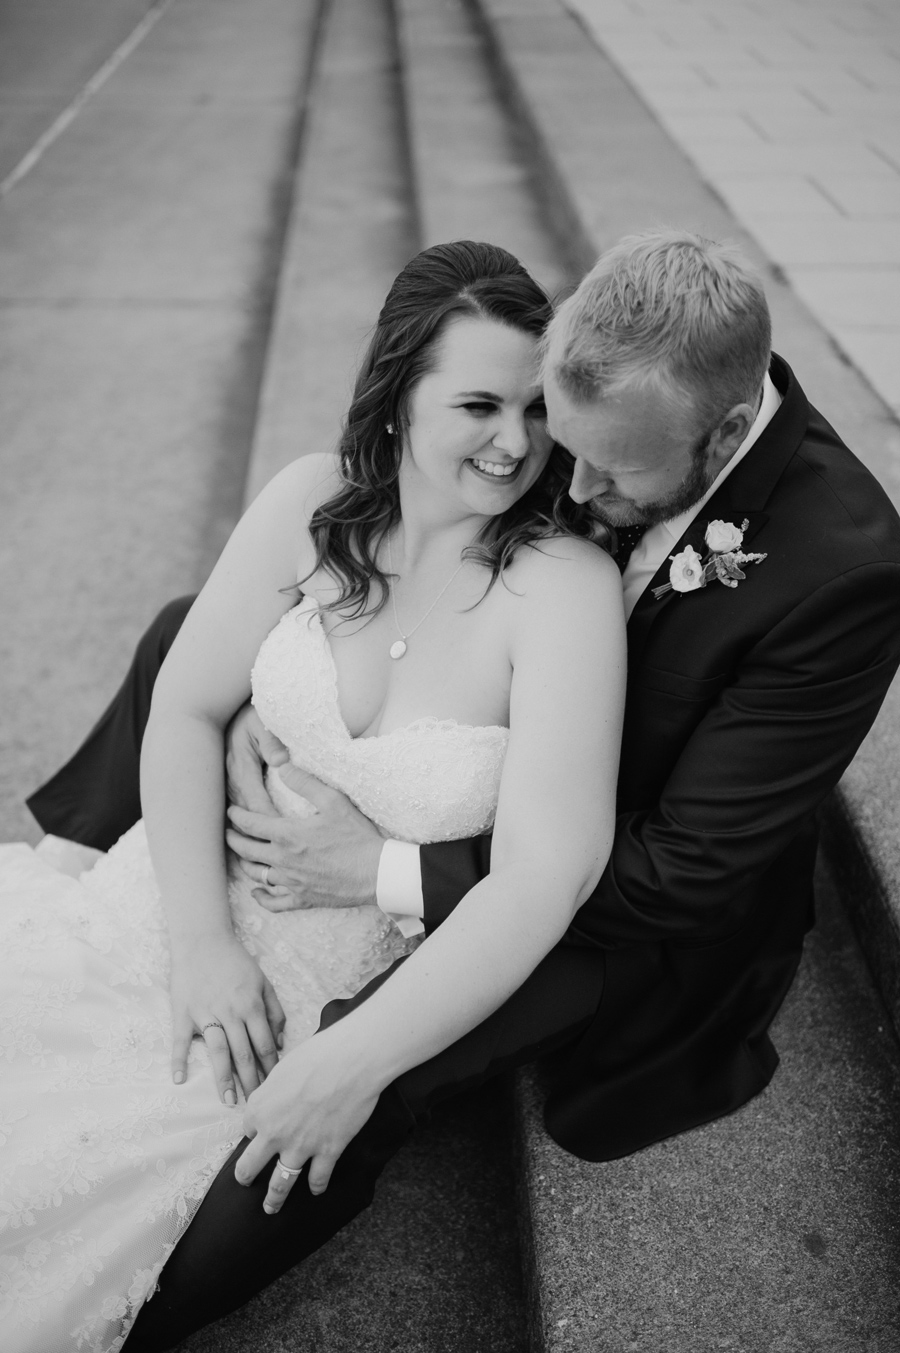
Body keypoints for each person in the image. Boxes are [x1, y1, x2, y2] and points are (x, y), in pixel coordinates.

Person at [25, 230, 900, 1351]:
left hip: (638, 892)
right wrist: (278, 692)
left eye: (602, 466)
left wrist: (384, 866)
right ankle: (95, 854)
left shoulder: (839, 572)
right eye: (527, 419)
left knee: (360, 1072)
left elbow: (662, 872)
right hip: (458, 746)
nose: (562, 483)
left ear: (722, 438)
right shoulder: (625, 379)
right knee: (183, 647)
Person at [0, 240, 626, 1352]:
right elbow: (187, 709)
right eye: (478, 404)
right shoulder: (311, 498)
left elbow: (547, 877)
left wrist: (352, 1057)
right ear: (397, 392)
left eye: (536, 408)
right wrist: (200, 947)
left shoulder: (566, 593)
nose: (516, 441)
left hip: (314, 1013)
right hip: (159, 912)